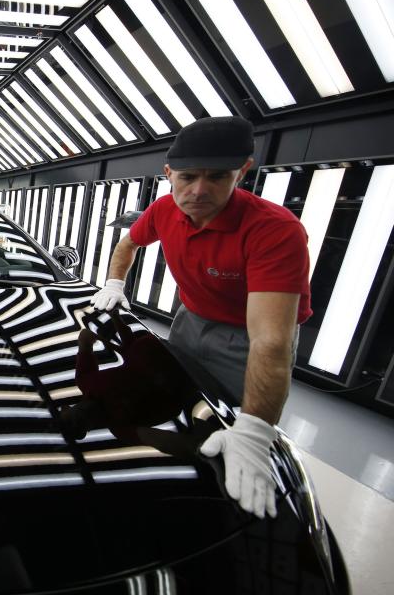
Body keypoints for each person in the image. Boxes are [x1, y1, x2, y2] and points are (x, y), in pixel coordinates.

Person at [90, 116, 311, 520]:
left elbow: (270, 341)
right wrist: (113, 284)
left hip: (247, 336)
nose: (199, 191)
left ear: (243, 172)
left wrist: (256, 429)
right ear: (168, 173)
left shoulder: (275, 231)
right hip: (189, 319)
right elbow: (127, 244)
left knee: (231, 425)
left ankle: (215, 505)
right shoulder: (161, 211)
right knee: (178, 397)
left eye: (217, 178)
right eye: (188, 176)